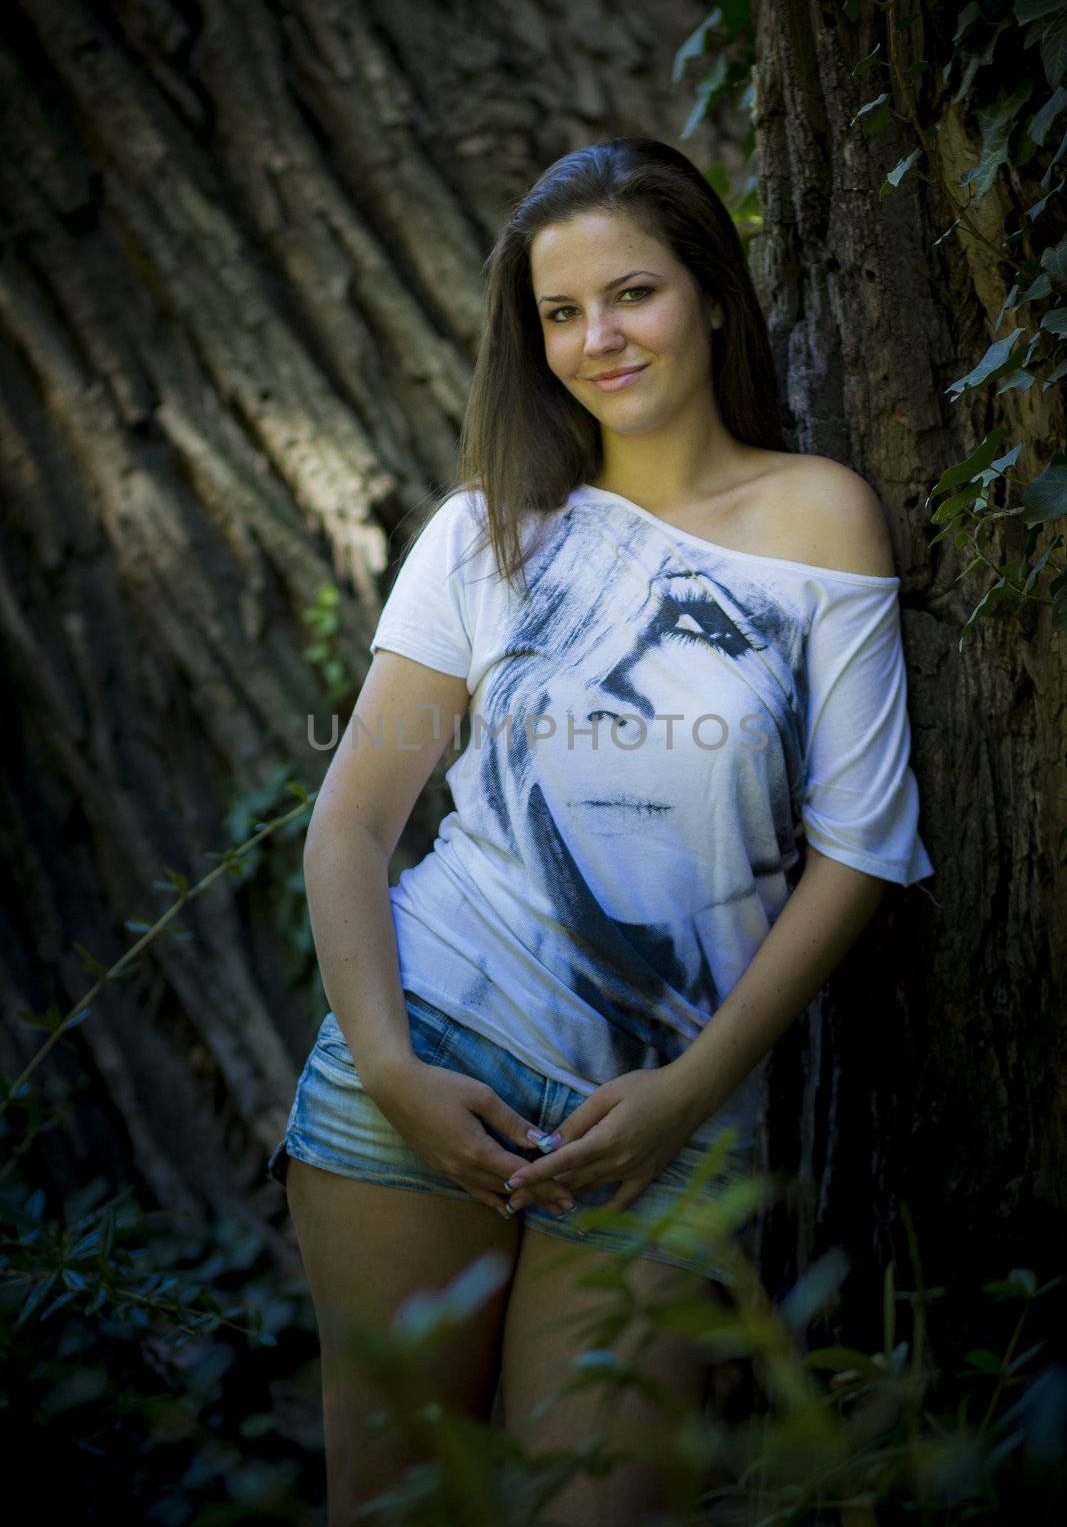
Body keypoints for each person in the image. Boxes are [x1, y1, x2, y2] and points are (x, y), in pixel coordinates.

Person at [266, 136, 935, 1524]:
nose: (596, 338)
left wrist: (691, 1093)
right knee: (397, 1506)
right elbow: (350, 829)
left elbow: (862, 847)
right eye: (559, 313)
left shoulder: (819, 522)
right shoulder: (487, 536)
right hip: (424, 1072)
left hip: (666, 1125)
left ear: (713, 295)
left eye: (631, 293)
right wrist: (388, 1068)